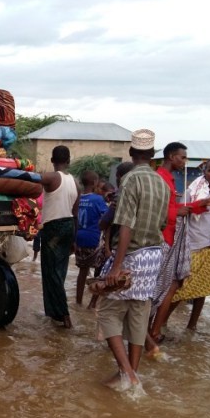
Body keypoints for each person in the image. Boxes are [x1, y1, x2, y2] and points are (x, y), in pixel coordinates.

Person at [97, 129, 170, 391]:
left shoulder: (129, 180)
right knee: (139, 315)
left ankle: (127, 374)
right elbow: (162, 223)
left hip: (132, 255)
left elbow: (125, 224)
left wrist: (116, 266)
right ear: (152, 155)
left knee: (108, 313)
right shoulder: (161, 183)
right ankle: (130, 373)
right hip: (153, 254)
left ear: (131, 152)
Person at [147, 142, 210, 347]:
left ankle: (158, 330)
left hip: (203, 244)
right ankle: (154, 330)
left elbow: (177, 208)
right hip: (180, 242)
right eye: (182, 157)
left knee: (194, 288)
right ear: (171, 156)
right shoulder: (183, 185)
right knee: (175, 287)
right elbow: (161, 210)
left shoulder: (168, 180)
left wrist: (200, 205)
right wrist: (196, 205)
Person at [170, 159, 210, 330]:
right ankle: (161, 323)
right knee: (182, 288)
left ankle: (192, 325)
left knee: (203, 289)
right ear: (204, 171)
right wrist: (205, 202)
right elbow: (180, 211)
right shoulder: (193, 190)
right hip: (192, 245)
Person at [39, 145, 80, 328]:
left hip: (53, 228)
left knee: (51, 272)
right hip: (69, 226)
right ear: (69, 161)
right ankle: (55, 313)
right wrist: (74, 239)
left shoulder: (52, 177)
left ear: (52, 160)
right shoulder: (75, 182)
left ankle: (64, 315)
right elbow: (76, 212)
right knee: (60, 271)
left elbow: (32, 179)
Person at [88, 162, 135, 310]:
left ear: (119, 177)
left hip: (116, 248)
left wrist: (107, 248)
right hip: (131, 249)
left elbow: (104, 225)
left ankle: (94, 305)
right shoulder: (133, 196)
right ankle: (93, 304)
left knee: (105, 281)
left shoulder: (118, 198)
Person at [75, 170, 108, 306]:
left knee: (82, 272)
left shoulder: (78, 198)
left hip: (79, 238)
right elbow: (107, 218)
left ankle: (78, 301)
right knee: (98, 271)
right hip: (93, 239)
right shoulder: (98, 199)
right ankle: (92, 304)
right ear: (95, 183)